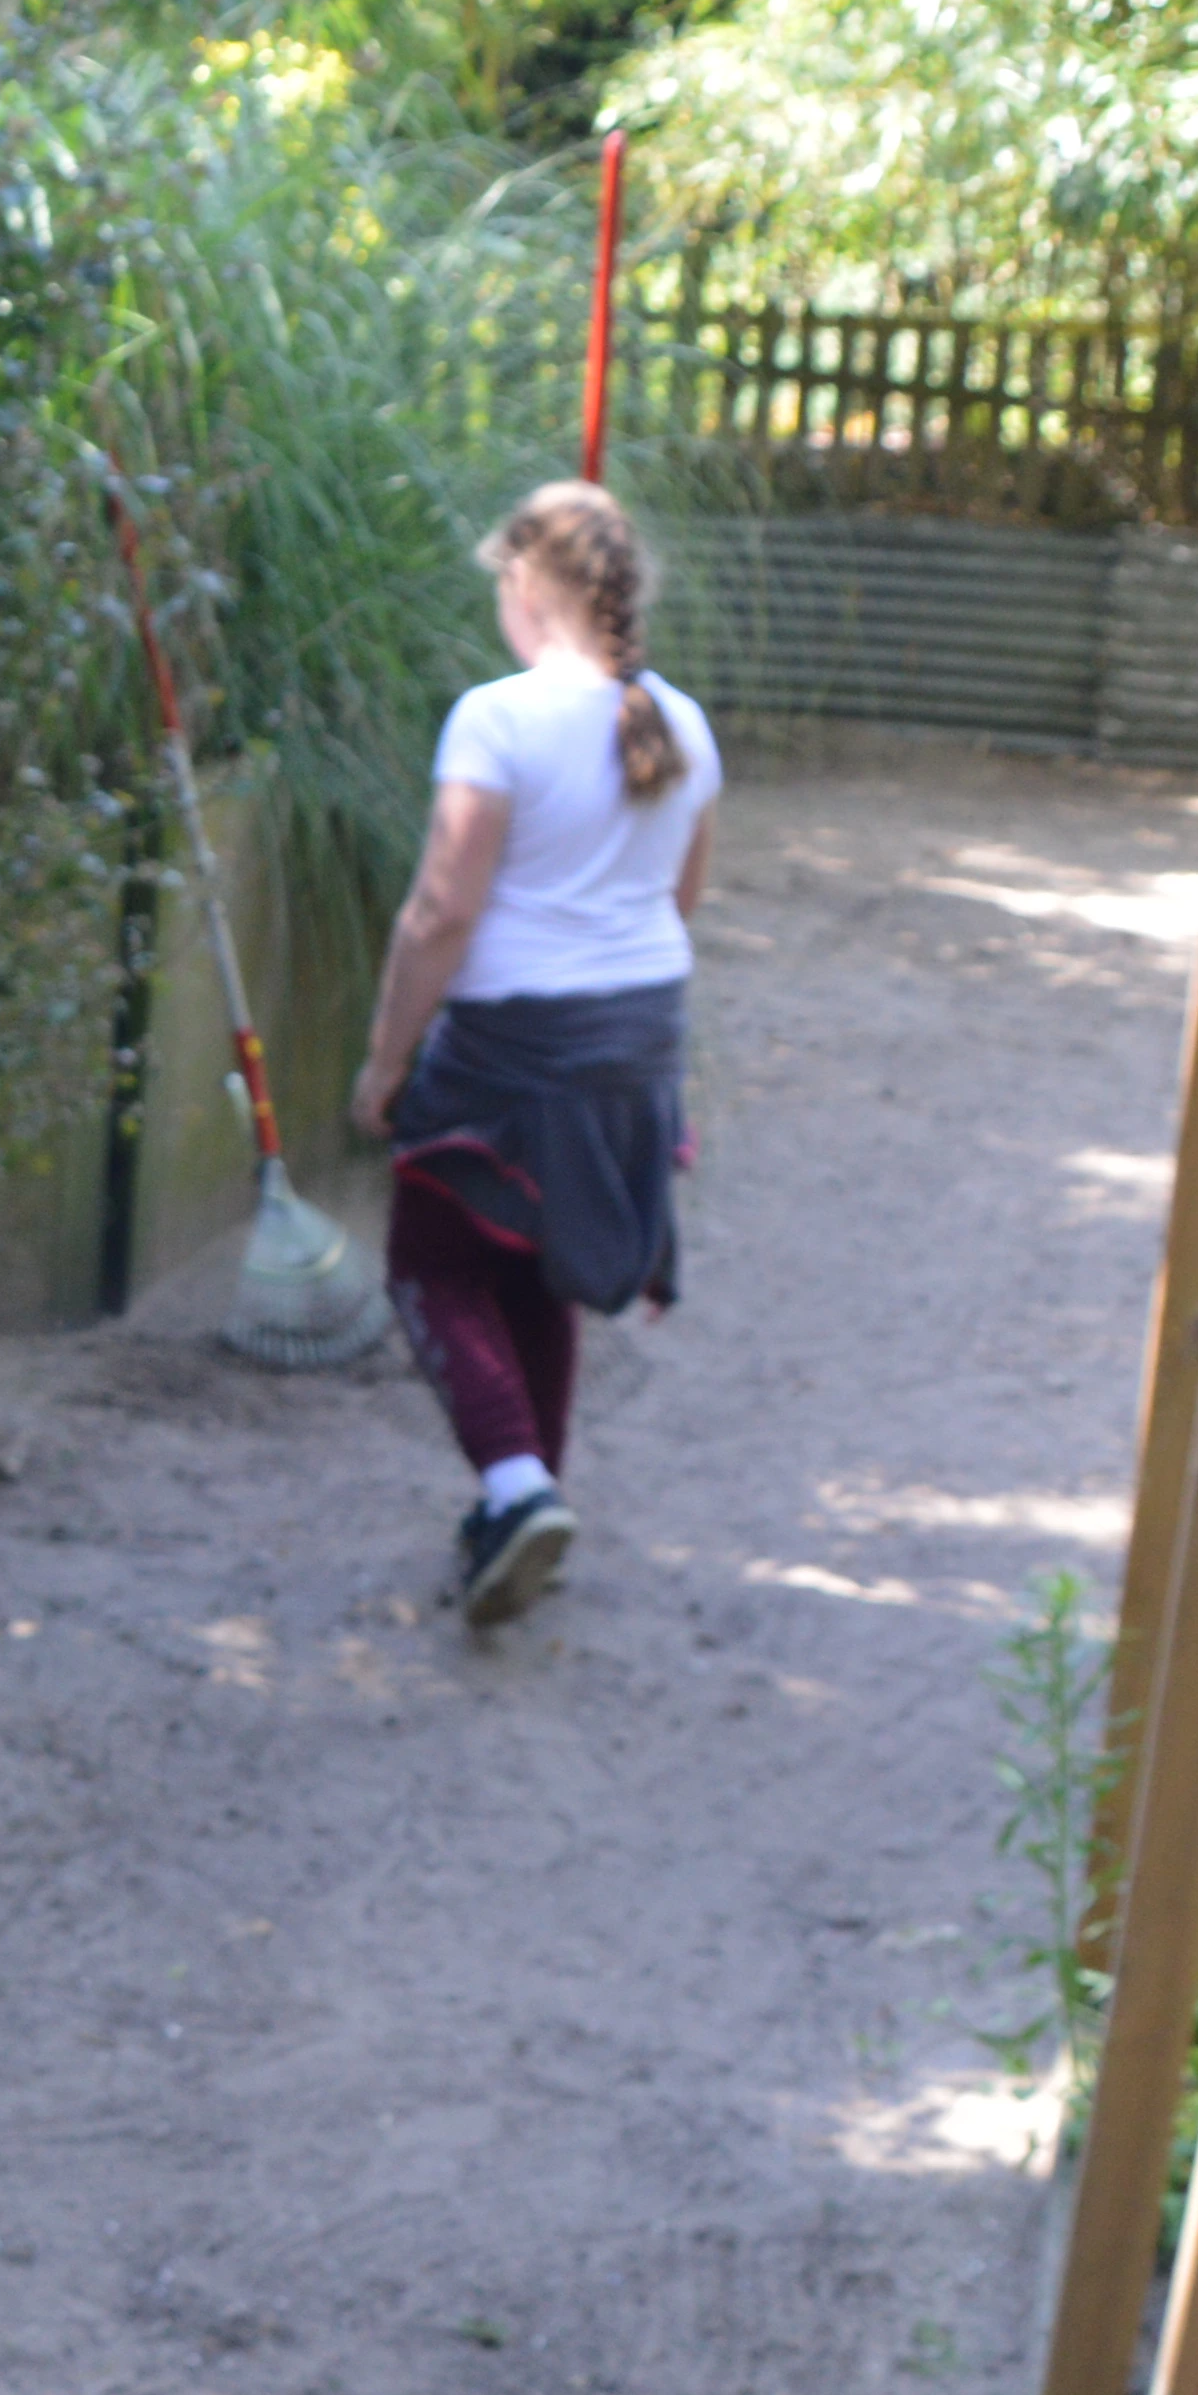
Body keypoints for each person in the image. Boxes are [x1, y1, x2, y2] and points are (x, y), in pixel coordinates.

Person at [349, 481, 721, 1628]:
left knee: (430, 1252)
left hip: (518, 1038)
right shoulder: (684, 723)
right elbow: (682, 895)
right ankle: (528, 1499)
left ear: (526, 586)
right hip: (640, 1034)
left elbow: (439, 912)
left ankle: (513, 1488)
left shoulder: (498, 718)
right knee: (533, 1260)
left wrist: (382, 1063)